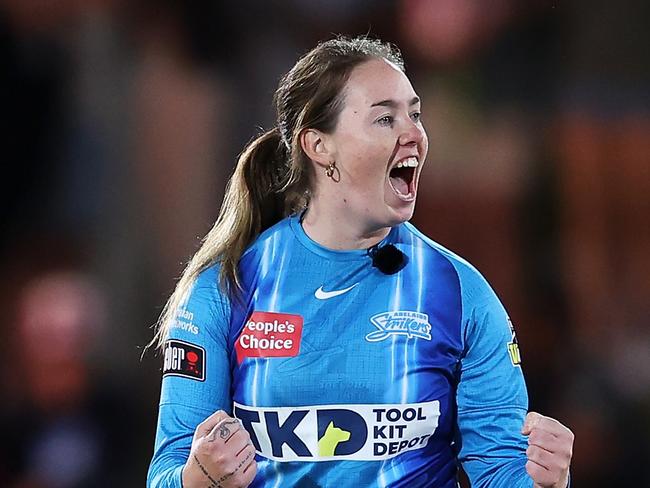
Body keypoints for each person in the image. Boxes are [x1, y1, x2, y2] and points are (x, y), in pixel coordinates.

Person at [147, 36, 574, 488]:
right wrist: (200, 479)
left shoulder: (459, 291)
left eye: (415, 114)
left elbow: (501, 472)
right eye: (385, 118)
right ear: (318, 146)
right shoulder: (227, 286)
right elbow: (167, 472)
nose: (413, 134)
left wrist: (549, 482)